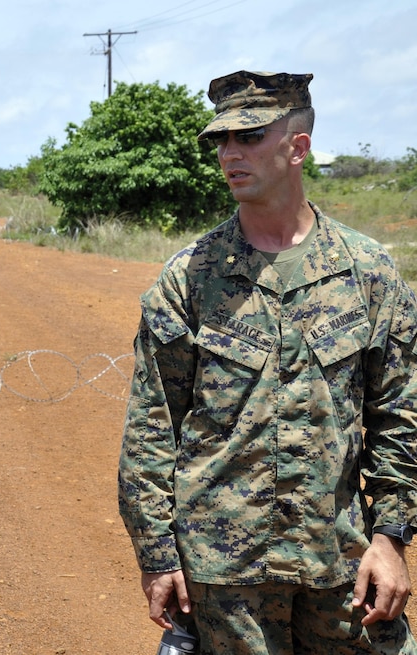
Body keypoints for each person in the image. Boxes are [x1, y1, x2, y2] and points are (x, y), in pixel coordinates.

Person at [118, 70, 417, 654]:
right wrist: (156, 557)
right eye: (221, 141)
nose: (230, 153)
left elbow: (399, 415)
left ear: (297, 147)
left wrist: (391, 538)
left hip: (340, 565)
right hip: (224, 579)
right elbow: (151, 430)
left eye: (249, 137)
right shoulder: (191, 277)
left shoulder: (368, 272)